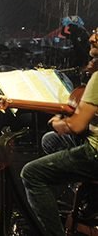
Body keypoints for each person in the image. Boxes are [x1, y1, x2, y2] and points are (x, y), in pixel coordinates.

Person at [20, 28, 98, 236]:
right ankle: (89, 197)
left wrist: (59, 122)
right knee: (50, 142)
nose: (92, 38)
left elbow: (77, 126)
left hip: (96, 155)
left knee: (31, 174)